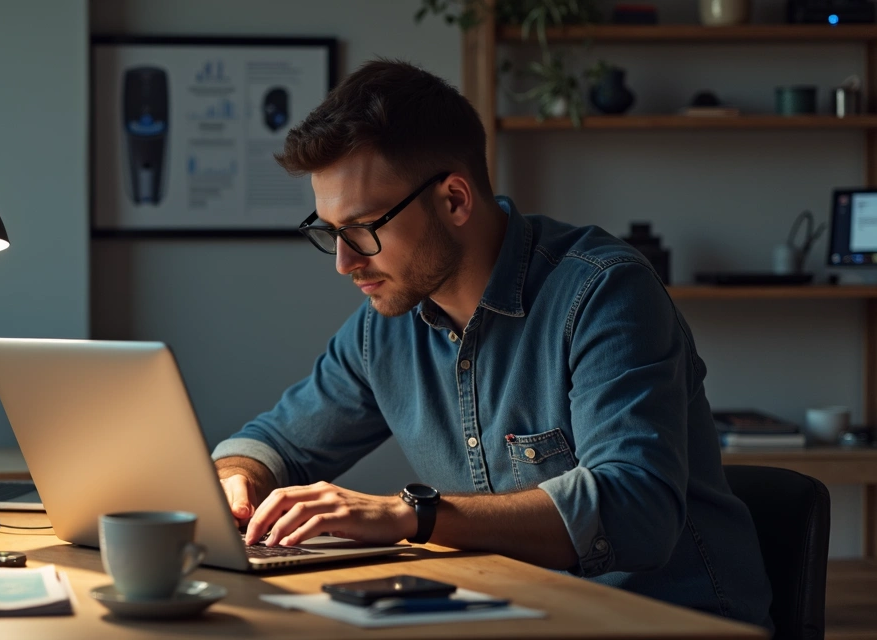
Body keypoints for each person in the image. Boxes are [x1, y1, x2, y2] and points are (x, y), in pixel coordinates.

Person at [211, 59, 773, 627]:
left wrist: (410, 515)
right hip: (510, 615)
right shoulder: (383, 327)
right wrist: (239, 480)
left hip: (665, 622)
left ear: (454, 199)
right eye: (330, 234)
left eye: (362, 229)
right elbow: (274, 442)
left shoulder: (603, 292)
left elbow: (635, 510)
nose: (344, 262)